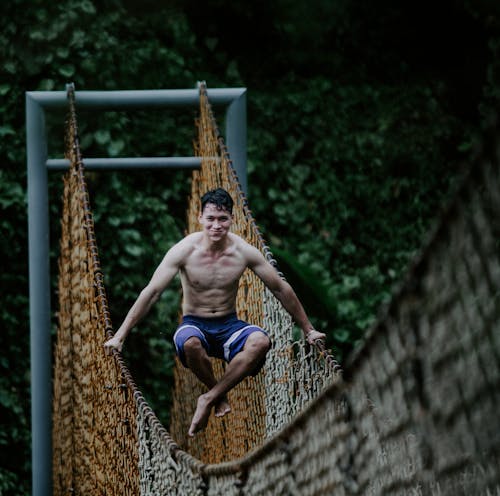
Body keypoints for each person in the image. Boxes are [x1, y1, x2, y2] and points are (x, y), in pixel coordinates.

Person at [104, 188, 326, 437]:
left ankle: (208, 398)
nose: (216, 225)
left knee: (261, 342)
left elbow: (279, 288)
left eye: (222, 219)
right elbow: (152, 292)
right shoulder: (184, 251)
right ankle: (217, 394)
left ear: (232, 219)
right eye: (210, 219)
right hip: (194, 323)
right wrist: (121, 335)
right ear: (200, 218)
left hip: (229, 325)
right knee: (190, 344)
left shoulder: (243, 252)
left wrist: (308, 329)